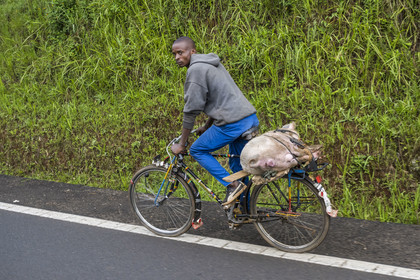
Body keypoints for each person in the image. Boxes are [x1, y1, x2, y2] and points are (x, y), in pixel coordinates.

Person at [170, 36, 259, 206]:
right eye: (174, 54)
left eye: (180, 53)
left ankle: (232, 185)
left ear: (192, 51)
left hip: (232, 123)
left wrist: (182, 144)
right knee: (237, 166)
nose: (177, 58)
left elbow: (190, 110)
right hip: (248, 118)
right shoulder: (213, 63)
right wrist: (206, 126)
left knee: (197, 150)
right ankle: (244, 209)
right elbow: (218, 98)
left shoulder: (195, 70)